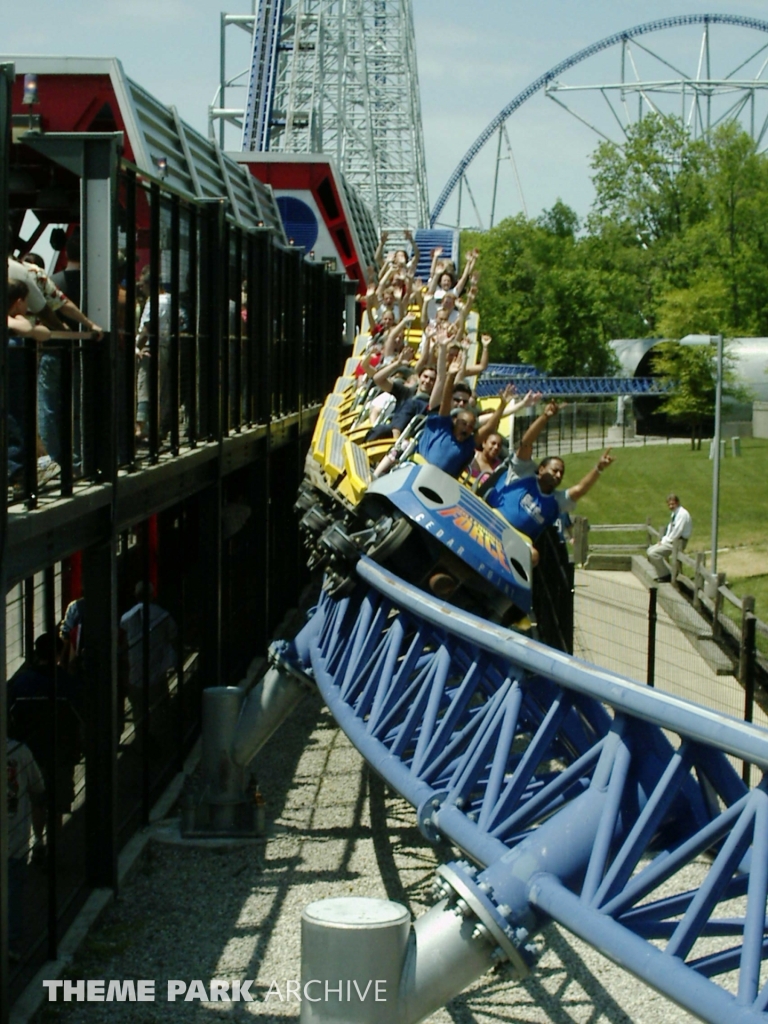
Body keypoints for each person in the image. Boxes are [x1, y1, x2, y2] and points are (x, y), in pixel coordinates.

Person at [485, 400, 614, 564]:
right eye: (555, 470)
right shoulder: (522, 472)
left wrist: (599, 468)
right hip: (493, 517)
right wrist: (545, 416)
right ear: (540, 469)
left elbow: (580, 489)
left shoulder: (556, 501)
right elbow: (526, 442)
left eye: (561, 473)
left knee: (534, 557)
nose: (559, 475)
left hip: (516, 538)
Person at [7, 733, 46, 958]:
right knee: (14, 889)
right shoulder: (20, 752)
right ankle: (11, 942)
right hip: (15, 837)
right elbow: (37, 787)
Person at [647, 494, 693, 582]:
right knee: (649, 550)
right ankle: (663, 573)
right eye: (669, 504)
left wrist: (665, 541)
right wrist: (663, 540)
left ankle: (666, 575)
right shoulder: (674, 513)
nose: (671, 506)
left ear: (678, 503)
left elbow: (677, 531)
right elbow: (670, 529)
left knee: (653, 554)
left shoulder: (682, 514)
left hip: (678, 542)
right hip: (672, 540)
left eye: (673, 504)